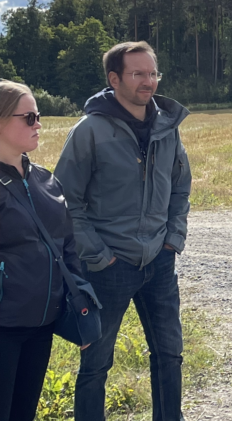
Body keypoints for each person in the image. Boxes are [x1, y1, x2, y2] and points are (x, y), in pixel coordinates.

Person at [55, 41, 192, 421]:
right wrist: (99, 256)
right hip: (108, 267)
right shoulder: (90, 131)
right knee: (96, 363)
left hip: (159, 261)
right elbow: (66, 201)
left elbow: (181, 186)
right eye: (138, 74)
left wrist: (172, 240)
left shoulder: (168, 127)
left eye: (153, 73)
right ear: (114, 79)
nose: (148, 82)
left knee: (170, 353)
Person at [0, 82, 98, 421]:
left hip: (41, 326)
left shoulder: (46, 181)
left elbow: (67, 247)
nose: (38, 124)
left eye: (38, 116)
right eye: (28, 117)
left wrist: (78, 306)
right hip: (3, 327)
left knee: (23, 413)